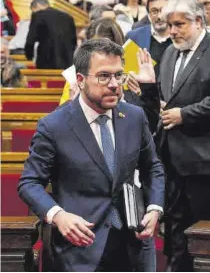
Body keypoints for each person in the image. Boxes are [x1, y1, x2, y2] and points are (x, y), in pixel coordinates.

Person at [18, 38, 165, 272]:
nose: (115, 84)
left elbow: (153, 168)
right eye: (103, 76)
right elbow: (29, 183)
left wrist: (155, 208)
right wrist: (58, 216)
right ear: (80, 80)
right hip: (80, 249)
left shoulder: (134, 117)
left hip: (133, 246)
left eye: (119, 75)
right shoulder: (54, 125)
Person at [141, 0, 210, 271]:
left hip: (206, 158)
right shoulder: (170, 52)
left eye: (178, 24)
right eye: (168, 24)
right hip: (172, 157)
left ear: (198, 21)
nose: (171, 31)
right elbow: (166, 102)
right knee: (175, 229)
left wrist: (184, 114)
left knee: (203, 230)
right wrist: (150, 89)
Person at [126, 0, 172, 133]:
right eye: (154, 11)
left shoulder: (180, 36)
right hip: (144, 108)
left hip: (174, 109)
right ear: (148, 14)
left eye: (163, 11)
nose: (159, 16)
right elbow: (129, 80)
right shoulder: (134, 37)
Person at [25, 0, 77, 69]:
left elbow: (30, 40)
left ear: (38, 6)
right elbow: (74, 41)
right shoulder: (68, 17)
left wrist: (29, 57)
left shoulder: (38, 15)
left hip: (46, 61)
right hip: (67, 62)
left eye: (33, 10)